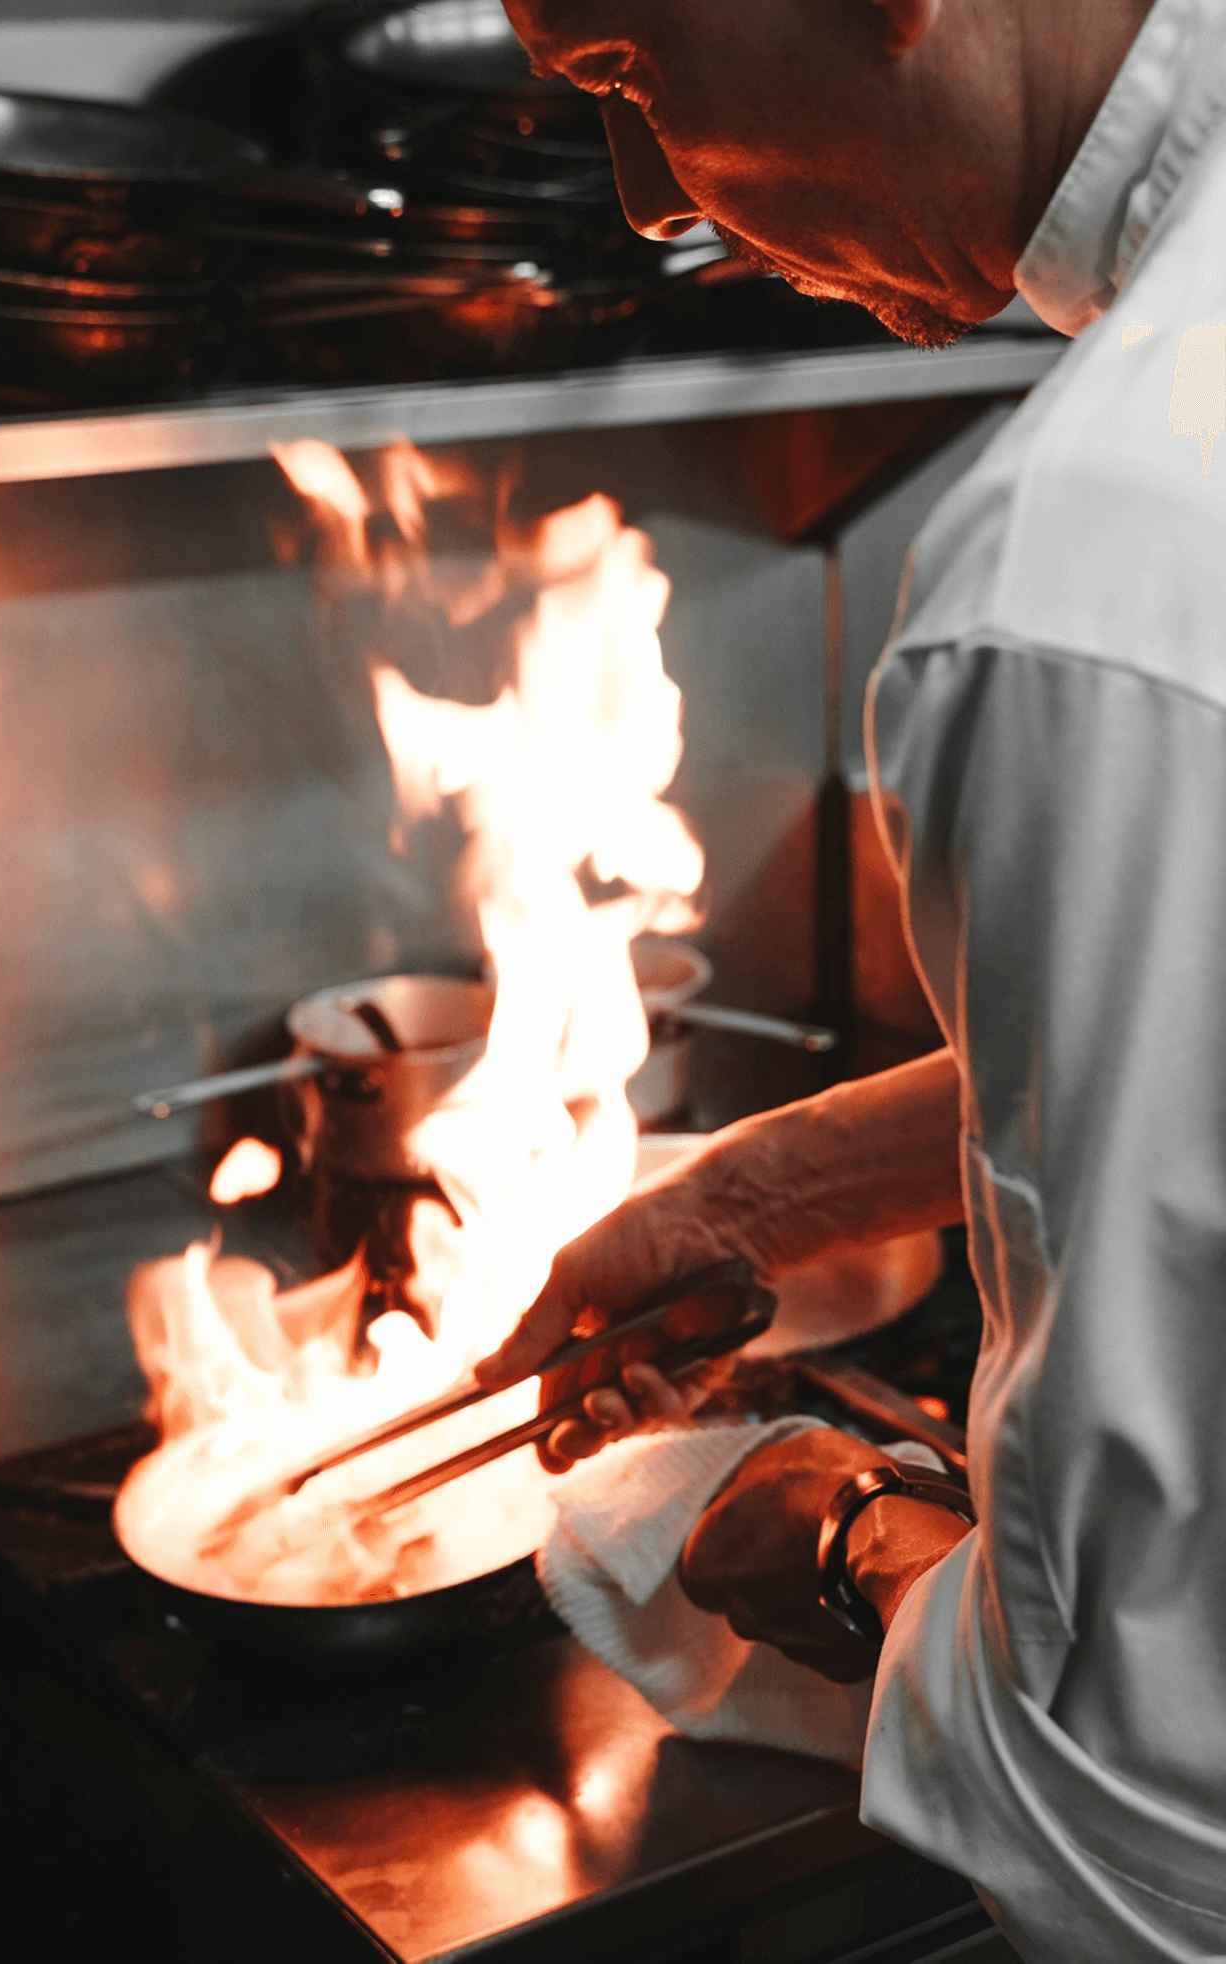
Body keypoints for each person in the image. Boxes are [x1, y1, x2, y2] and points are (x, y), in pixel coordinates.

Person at [475, 2, 1226, 1958]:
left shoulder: (1082, 565)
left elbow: (1159, 1820)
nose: (646, 202)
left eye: (631, 68)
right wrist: (773, 1188)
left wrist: (824, 1523)